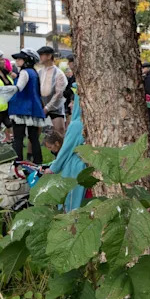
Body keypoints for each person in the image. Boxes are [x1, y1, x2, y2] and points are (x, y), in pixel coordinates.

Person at [46, 84, 88, 213]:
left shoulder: (76, 124)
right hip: (83, 163)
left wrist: (53, 168)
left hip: (75, 167)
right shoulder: (86, 121)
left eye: (72, 101)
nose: (69, 105)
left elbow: (66, 150)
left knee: (72, 201)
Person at [7, 49, 49, 164]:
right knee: (34, 138)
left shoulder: (24, 72)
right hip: (33, 107)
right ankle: (38, 162)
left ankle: (18, 163)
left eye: (20, 59)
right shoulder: (33, 72)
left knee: (18, 139)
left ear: (27, 60)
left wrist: (3, 90)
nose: (17, 61)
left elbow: (19, 87)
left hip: (21, 107)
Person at [37, 47, 68, 138]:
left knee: (59, 131)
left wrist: (47, 108)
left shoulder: (59, 73)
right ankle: (32, 152)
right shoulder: (39, 72)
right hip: (41, 104)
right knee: (35, 132)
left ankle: (61, 152)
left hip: (55, 106)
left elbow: (59, 93)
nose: (40, 57)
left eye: (42, 55)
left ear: (49, 56)